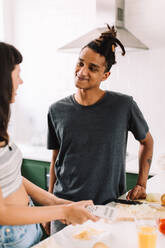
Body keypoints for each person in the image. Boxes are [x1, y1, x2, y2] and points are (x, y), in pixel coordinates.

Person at [47, 25, 153, 234]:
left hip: (107, 211)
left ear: (106, 75)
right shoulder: (56, 110)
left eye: (93, 68)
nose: (82, 72)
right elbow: (55, 160)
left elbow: (147, 142)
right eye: (80, 63)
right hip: (64, 210)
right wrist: (51, 208)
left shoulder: (124, 106)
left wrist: (142, 183)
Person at [0, 42, 98, 248]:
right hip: (8, 234)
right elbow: (2, 213)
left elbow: (11, 179)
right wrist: (63, 212)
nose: (21, 81)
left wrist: (56, 202)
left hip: (26, 228)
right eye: (16, 73)